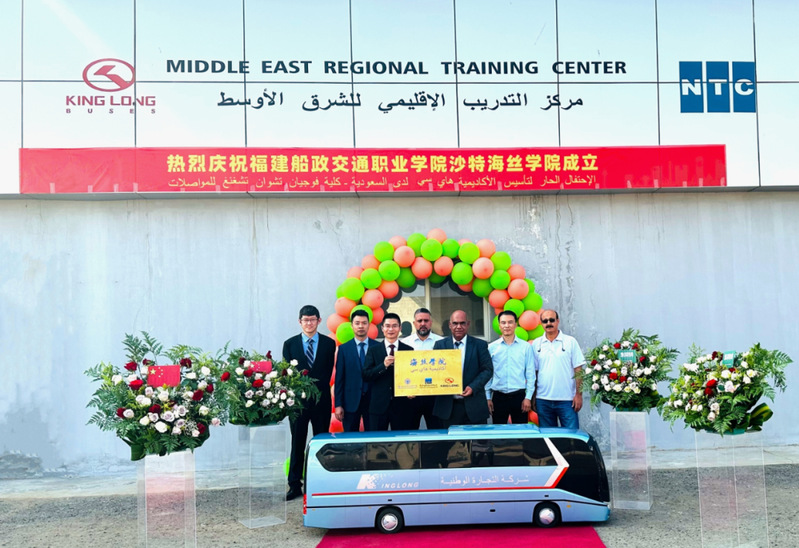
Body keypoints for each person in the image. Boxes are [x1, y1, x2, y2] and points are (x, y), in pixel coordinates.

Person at [282, 305, 335, 501]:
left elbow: (327, 372)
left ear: (319, 321)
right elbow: (287, 374)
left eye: (313, 319)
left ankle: (321, 483)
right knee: (297, 443)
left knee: (321, 444)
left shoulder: (329, 344)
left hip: (321, 402)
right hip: (298, 404)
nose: (309, 323)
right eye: (305, 320)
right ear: (300, 322)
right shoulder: (290, 344)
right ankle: (294, 484)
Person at [432, 310, 493, 427]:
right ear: (450, 325)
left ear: (468, 324)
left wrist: (473, 387)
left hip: (474, 405)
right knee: (449, 439)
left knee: (476, 438)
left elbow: (487, 369)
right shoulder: (440, 345)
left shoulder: (480, 345)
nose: (459, 327)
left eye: (462, 323)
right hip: (448, 407)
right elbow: (435, 371)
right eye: (455, 323)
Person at [531, 309, 586, 429]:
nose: (548, 323)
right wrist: (533, 396)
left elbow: (579, 370)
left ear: (558, 321)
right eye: (545, 321)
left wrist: (578, 395)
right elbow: (534, 372)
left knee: (571, 436)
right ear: (541, 323)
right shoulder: (536, 344)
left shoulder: (570, 342)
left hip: (567, 400)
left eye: (552, 320)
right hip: (543, 400)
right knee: (548, 438)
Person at [362, 313, 414, 430]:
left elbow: (412, 375)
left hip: (402, 405)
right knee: (377, 439)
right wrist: (383, 366)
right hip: (378, 405)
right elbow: (366, 375)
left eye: (394, 326)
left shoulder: (408, 350)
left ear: (400, 328)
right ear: (382, 328)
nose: (391, 329)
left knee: (401, 439)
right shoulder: (373, 350)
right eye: (387, 326)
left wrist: (412, 390)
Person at [486, 310, 536, 425]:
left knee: (521, 432)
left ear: (515, 324)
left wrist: (528, 397)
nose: (507, 325)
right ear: (499, 325)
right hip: (498, 396)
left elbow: (530, 374)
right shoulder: (492, 348)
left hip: (519, 396)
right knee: (499, 431)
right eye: (503, 322)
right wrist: (488, 397)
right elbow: (489, 374)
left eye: (510, 322)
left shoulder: (526, 347)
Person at [334, 309, 379, 432]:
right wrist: (338, 404)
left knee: (374, 437)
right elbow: (339, 378)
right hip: (350, 402)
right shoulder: (344, 349)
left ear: (369, 325)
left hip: (373, 402)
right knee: (350, 438)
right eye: (357, 323)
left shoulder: (378, 347)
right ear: (351, 325)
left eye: (364, 323)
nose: (360, 326)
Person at [401, 307, 443, 429]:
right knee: (410, 431)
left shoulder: (442, 342)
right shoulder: (405, 343)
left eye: (426, 320)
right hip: (412, 395)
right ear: (414, 323)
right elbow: (401, 370)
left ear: (431, 322)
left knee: (436, 431)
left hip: (435, 396)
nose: (423, 324)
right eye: (419, 321)